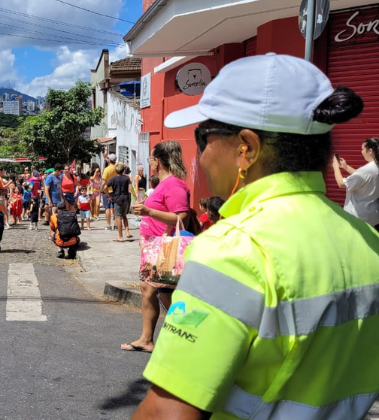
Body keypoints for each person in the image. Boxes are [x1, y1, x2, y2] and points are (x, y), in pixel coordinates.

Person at [131, 54, 379, 420]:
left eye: (203, 137)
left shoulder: (233, 250)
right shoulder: (366, 239)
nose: (200, 153)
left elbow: (167, 412)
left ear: (245, 147)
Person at [123, 141, 191, 353]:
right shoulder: (164, 184)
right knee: (149, 291)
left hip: (164, 249)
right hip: (153, 247)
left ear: (158, 162)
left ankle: (190, 336)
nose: (150, 162)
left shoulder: (173, 185)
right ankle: (147, 339)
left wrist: (149, 212)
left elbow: (182, 217)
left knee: (164, 292)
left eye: (152, 159)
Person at [333, 138, 379, 229]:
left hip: (358, 217)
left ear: (370, 151)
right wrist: (346, 167)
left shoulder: (367, 170)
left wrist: (335, 167)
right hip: (372, 215)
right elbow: (362, 178)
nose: (361, 152)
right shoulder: (374, 167)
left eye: (362, 149)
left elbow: (341, 183)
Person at [108, 163, 135, 241]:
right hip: (126, 199)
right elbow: (130, 188)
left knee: (118, 217)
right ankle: (127, 232)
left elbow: (104, 186)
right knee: (124, 216)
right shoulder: (127, 178)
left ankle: (120, 236)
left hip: (117, 200)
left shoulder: (113, 179)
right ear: (123, 170)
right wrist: (136, 198)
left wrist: (109, 195)